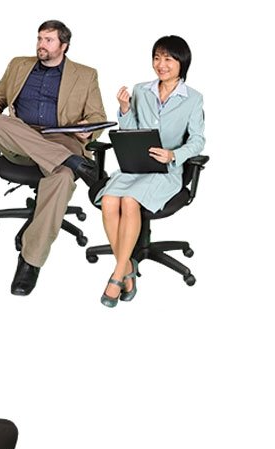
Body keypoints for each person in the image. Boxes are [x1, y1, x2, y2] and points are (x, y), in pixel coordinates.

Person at [0, 20, 108, 296]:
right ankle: (77, 163)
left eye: (49, 40)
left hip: (60, 138)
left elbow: (98, 119)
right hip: (19, 140)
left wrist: (87, 132)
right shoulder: (19, 64)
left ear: (63, 46)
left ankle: (29, 262)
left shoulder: (86, 75)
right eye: (40, 39)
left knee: (63, 177)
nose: (41, 45)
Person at [95, 35, 205, 307]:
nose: (161, 64)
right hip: (135, 165)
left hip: (165, 170)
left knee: (130, 201)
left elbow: (198, 140)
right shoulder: (141, 90)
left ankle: (118, 275)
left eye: (168, 58)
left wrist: (173, 154)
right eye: (157, 57)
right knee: (109, 200)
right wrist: (124, 108)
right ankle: (127, 270)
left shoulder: (192, 99)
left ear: (182, 63)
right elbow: (132, 131)